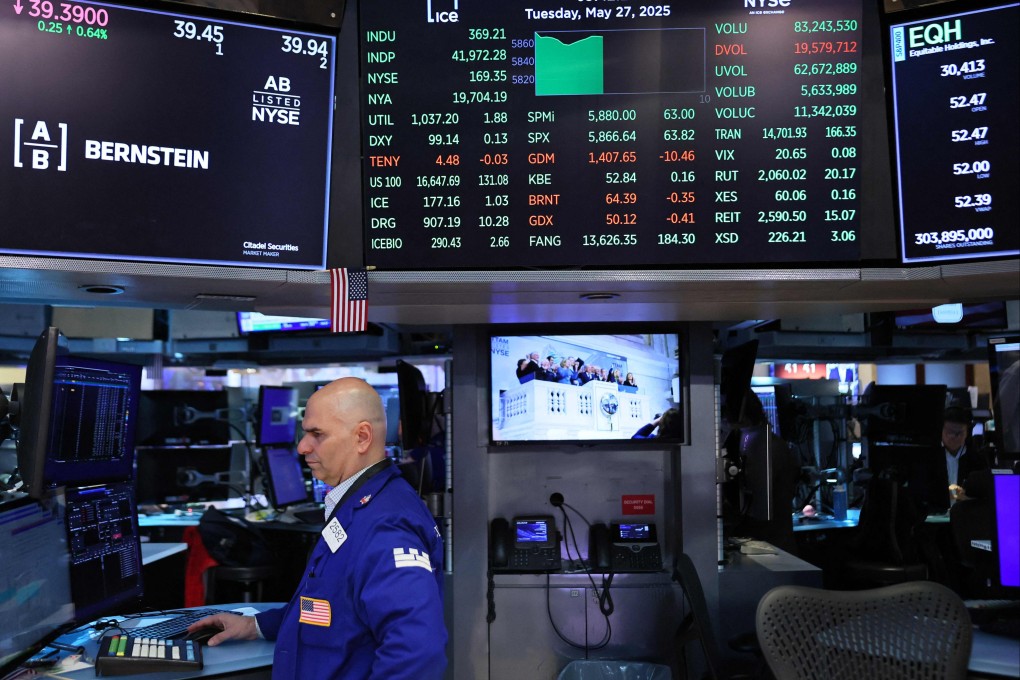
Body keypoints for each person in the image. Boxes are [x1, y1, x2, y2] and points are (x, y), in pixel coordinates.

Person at [187, 378, 446, 679]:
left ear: (362, 437)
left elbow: (418, 653)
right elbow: (332, 607)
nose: (301, 446)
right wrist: (256, 625)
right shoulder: (359, 505)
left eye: (317, 434)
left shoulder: (385, 527)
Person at [940, 405, 989, 504]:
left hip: (966, 515)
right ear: (941, 430)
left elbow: (984, 496)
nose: (953, 437)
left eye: (959, 433)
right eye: (949, 432)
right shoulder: (930, 457)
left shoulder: (977, 460)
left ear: (967, 433)